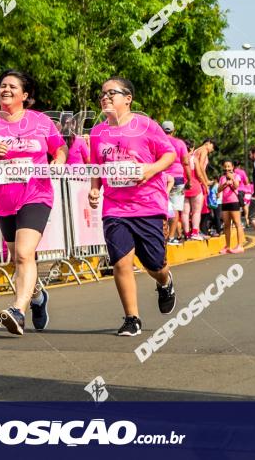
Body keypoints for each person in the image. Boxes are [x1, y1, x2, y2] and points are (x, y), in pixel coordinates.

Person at [0, 70, 68, 335]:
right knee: (18, 258)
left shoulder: (41, 122)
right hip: (4, 198)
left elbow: (59, 148)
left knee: (24, 254)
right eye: (2, 86)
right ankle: (37, 297)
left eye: (12, 86)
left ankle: (17, 311)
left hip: (36, 194)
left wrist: (58, 160)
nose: (6, 90)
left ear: (25, 95)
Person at [88, 77, 177, 337]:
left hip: (148, 204)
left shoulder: (146, 125)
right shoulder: (97, 132)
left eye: (111, 93)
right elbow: (97, 166)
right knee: (120, 262)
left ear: (128, 98)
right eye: (102, 94)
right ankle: (132, 318)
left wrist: (150, 170)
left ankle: (165, 282)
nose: (104, 97)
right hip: (115, 207)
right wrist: (95, 189)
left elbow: (169, 154)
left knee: (154, 264)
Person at [162, 122, 192, 246]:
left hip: (161, 178)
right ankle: (171, 237)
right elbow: (185, 163)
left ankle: (161, 236)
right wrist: (189, 180)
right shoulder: (180, 143)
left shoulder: (158, 141)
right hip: (178, 178)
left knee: (161, 207)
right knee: (175, 207)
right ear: (173, 130)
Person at [184, 138, 216, 241]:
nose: (212, 149)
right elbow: (201, 168)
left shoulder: (182, 157)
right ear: (208, 143)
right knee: (197, 211)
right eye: (213, 146)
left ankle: (187, 233)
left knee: (185, 212)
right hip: (195, 185)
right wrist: (206, 182)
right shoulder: (202, 151)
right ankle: (195, 232)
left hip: (184, 186)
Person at [218, 160, 244, 254]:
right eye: (225, 166)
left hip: (234, 201)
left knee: (237, 223)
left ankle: (240, 245)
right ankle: (227, 246)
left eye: (229, 166)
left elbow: (236, 186)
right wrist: (225, 184)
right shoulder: (222, 178)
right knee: (226, 225)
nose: (227, 168)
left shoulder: (236, 176)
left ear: (233, 167)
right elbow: (218, 190)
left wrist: (232, 179)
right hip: (225, 202)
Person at [233, 161, 250, 227]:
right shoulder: (242, 172)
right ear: (239, 165)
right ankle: (246, 219)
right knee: (244, 205)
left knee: (237, 206)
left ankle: (237, 222)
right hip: (241, 191)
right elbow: (246, 182)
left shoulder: (232, 172)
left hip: (234, 190)